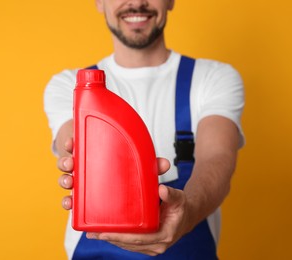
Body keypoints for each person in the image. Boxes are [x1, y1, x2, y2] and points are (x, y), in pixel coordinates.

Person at [44, 0, 245, 259]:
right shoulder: (70, 85)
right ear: (99, 2)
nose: (137, 2)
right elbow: (74, 149)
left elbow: (217, 158)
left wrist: (187, 212)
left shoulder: (212, 77)